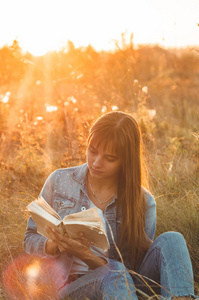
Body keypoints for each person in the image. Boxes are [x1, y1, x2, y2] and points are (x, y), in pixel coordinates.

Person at [24, 111, 195, 299]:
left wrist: (87, 255)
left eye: (110, 158)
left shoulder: (142, 201)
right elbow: (29, 239)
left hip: (123, 287)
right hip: (71, 287)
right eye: (92, 150)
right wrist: (55, 244)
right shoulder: (59, 181)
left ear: (125, 161)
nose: (96, 162)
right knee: (114, 271)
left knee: (173, 239)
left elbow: (131, 271)